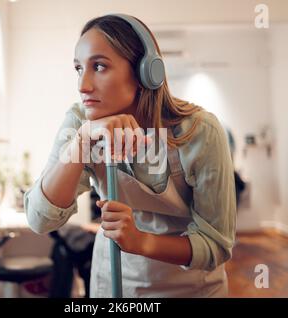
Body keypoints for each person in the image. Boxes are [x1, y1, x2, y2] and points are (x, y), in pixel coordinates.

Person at [24, 14, 236, 297]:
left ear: (145, 72)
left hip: (191, 288)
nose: (82, 85)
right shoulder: (79, 122)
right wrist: (82, 140)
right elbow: (40, 220)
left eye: (98, 66)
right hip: (114, 285)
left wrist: (141, 242)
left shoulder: (200, 132)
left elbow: (216, 245)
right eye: (78, 69)